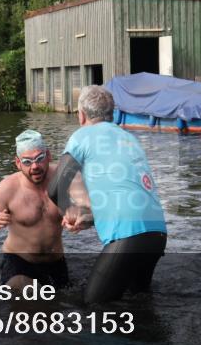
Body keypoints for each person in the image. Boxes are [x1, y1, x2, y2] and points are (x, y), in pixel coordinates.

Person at [49, 85, 168, 303]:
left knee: (93, 305)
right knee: (139, 303)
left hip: (129, 234)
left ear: (81, 115)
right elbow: (124, 194)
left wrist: (69, 213)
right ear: (111, 115)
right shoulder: (129, 138)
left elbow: (55, 188)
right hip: (157, 234)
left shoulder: (82, 135)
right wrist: (90, 218)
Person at [0, 130, 68, 291]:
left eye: (39, 159)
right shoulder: (7, 188)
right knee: (22, 290)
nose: (35, 167)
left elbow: (91, 208)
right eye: (27, 162)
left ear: (48, 155)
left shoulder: (63, 178)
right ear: (18, 163)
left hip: (56, 262)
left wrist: (82, 216)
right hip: (19, 262)